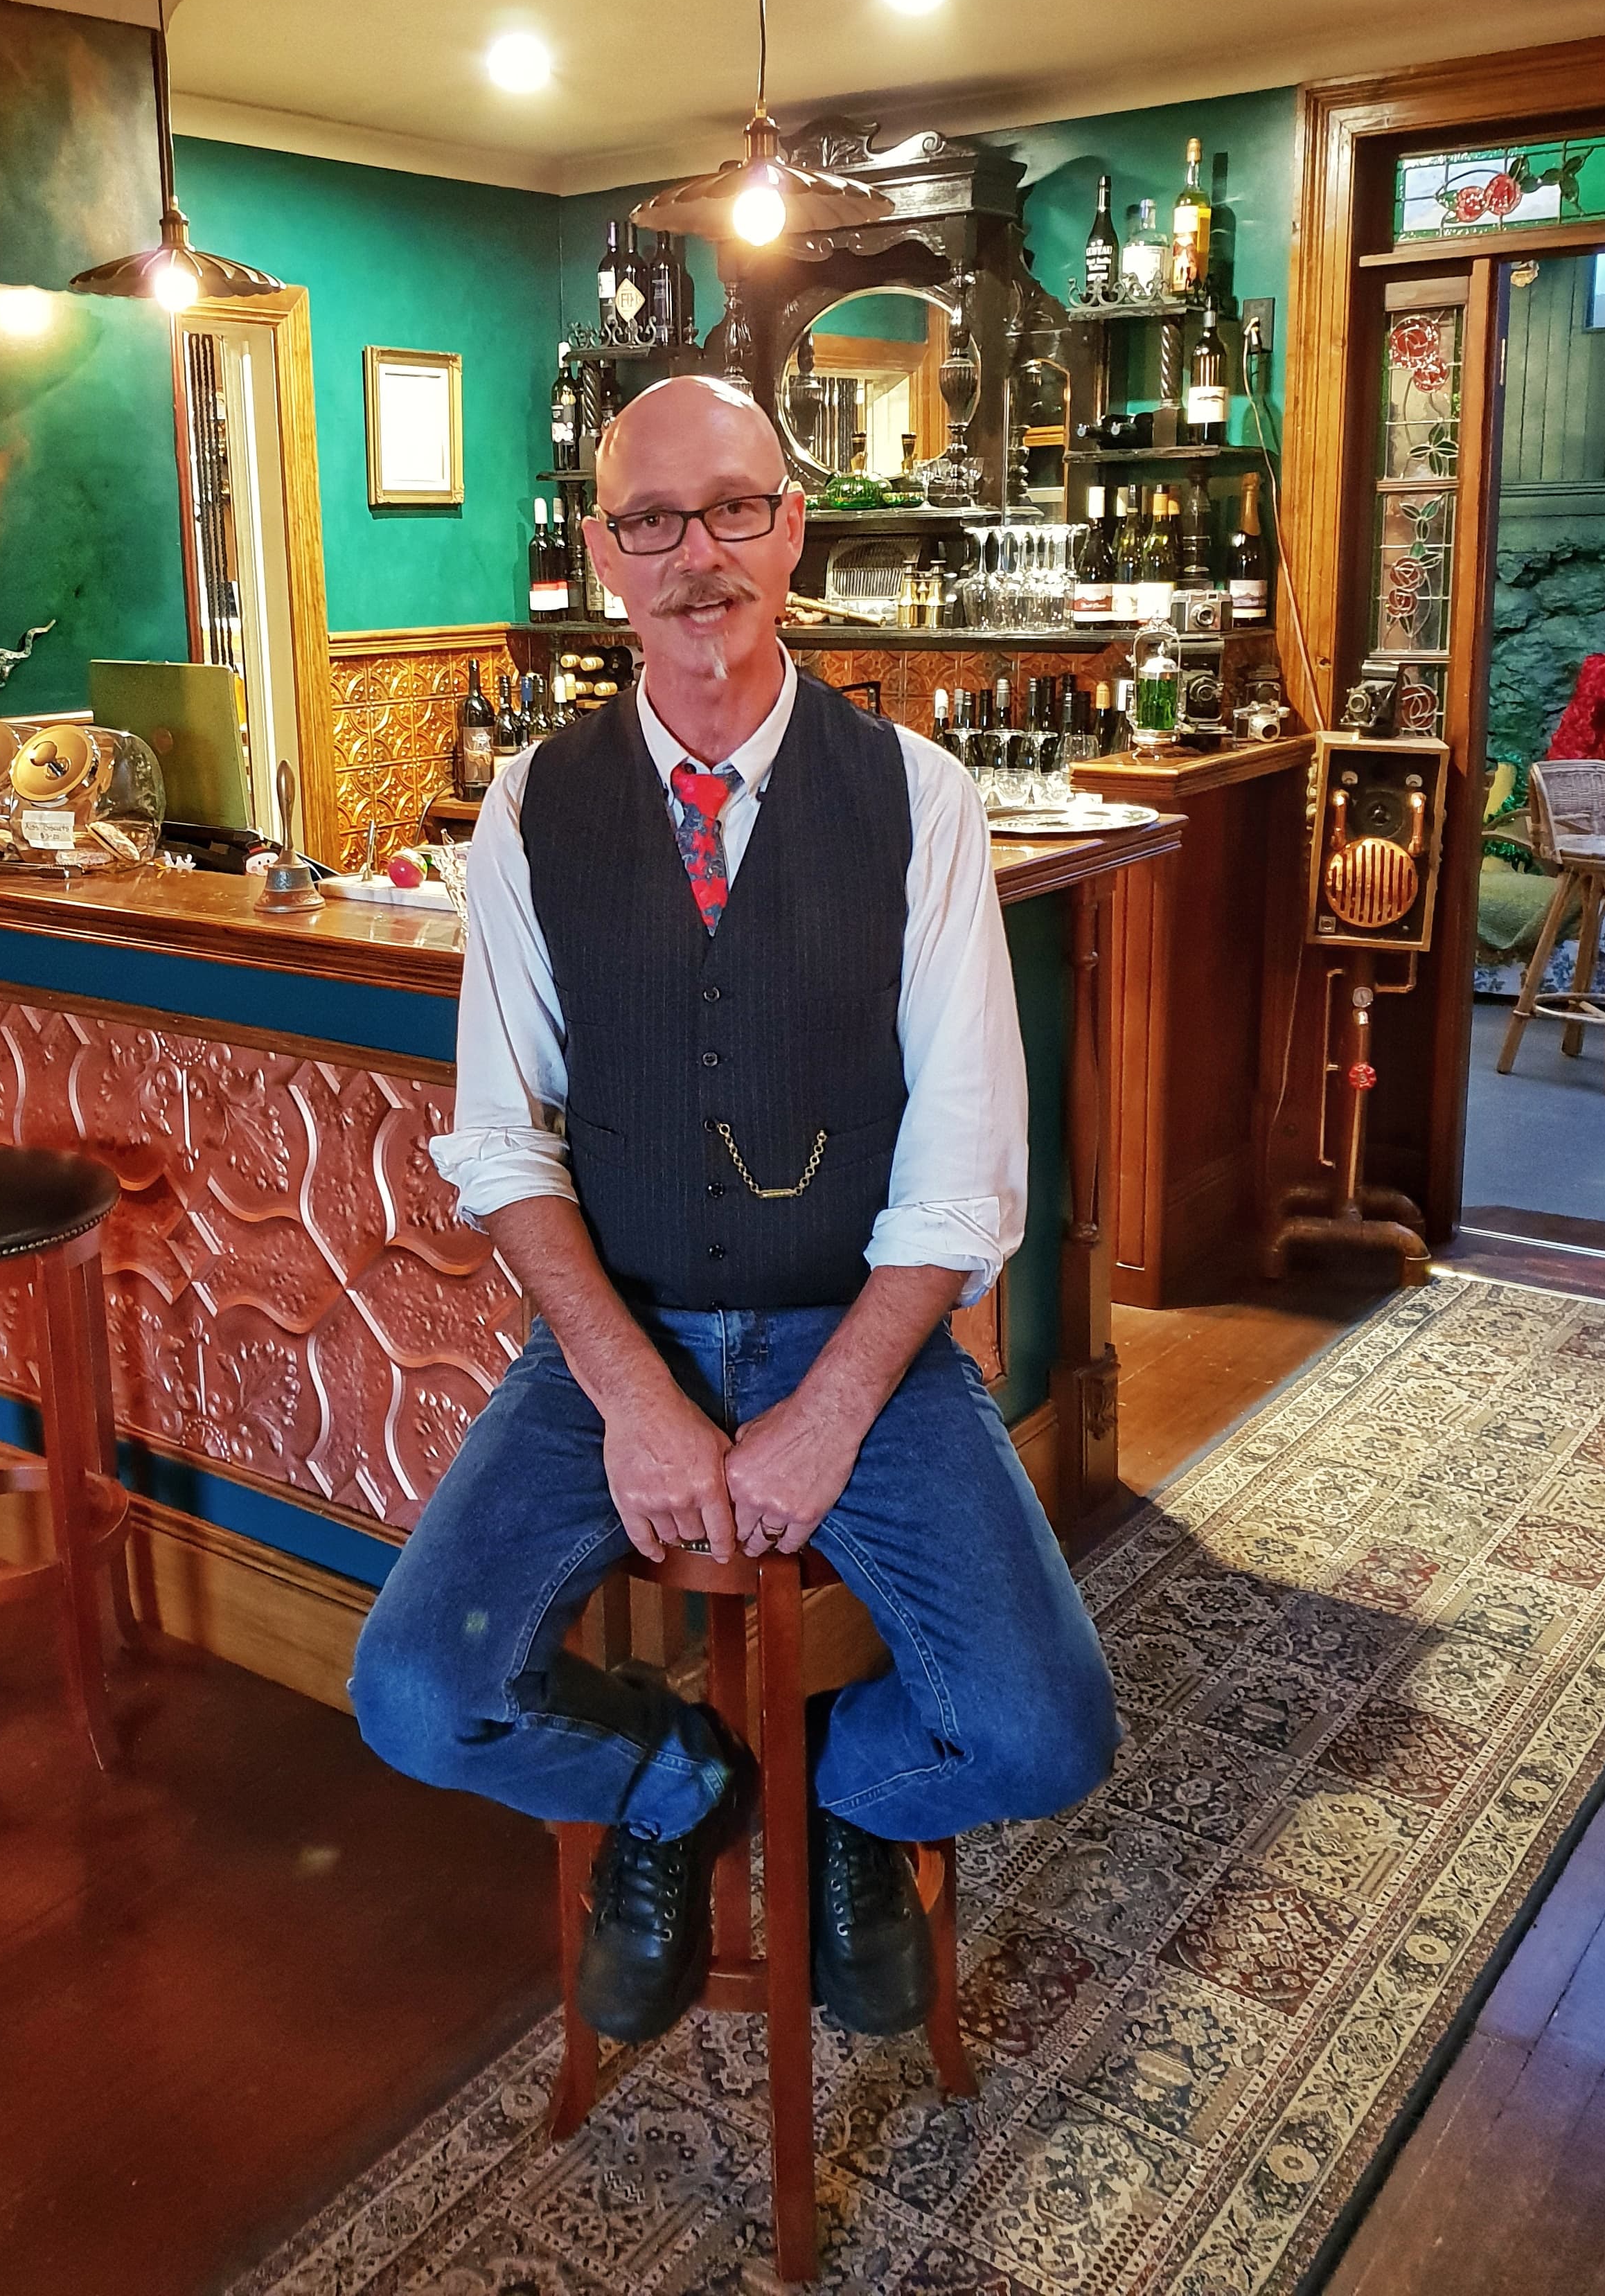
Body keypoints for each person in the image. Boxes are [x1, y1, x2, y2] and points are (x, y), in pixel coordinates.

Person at [350, 374, 1115, 2046]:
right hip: (614, 1340)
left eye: (734, 510)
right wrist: (632, 1392)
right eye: (652, 521)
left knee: (1045, 1733)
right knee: (412, 1697)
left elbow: (966, 1171)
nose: (695, 555)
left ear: (793, 529)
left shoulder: (921, 799)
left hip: (861, 1337)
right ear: (603, 553)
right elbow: (501, 1142)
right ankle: (677, 1782)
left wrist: (830, 1410)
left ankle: (838, 1793)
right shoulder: (530, 807)